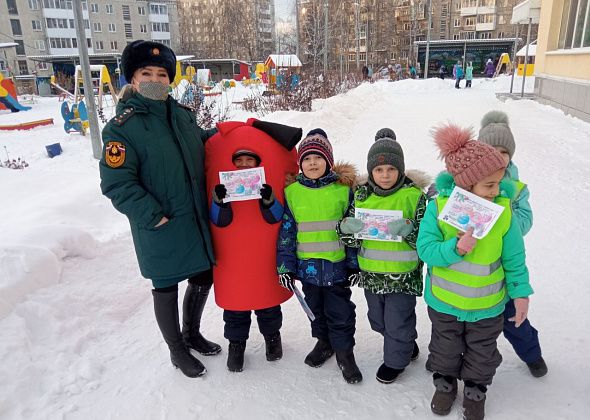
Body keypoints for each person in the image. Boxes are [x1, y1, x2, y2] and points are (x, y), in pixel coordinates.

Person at [99, 40, 220, 378]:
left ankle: (191, 333)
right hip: (160, 223)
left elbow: (203, 145)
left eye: (161, 74)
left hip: (194, 218)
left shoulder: (182, 116)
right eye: (146, 73)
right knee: (165, 286)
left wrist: (232, 136)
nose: (155, 79)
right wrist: (154, 215)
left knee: (203, 275)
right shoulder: (122, 128)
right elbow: (117, 183)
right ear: (132, 80)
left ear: (170, 79)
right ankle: (176, 350)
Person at [417, 123, 533, 420]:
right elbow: (425, 250)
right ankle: (444, 384)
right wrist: (454, 249)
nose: (497, 191)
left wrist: (521, 294)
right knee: (444, 347)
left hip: (487, 305)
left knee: (482, 352)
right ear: (466, 185)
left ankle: (475, 389)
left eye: (498, 183)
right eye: (489, 186)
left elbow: (515, 260)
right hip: (445, 302)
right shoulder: (439, 208)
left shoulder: (504, 214)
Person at [205, 118, 301, 372]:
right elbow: (218, 221)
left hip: (262, 254)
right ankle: (236, 345)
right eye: (239, 160)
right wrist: (220, 202)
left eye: (250, 161)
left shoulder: (265, 186)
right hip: (233, 256)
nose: (244, 165)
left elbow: (276, 218)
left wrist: (269, 200)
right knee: (235, 308)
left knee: (267, 303)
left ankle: (272, 338)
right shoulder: (221, 188)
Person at [337, 131, 430, 383]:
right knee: (378, 322)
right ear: (371, 171)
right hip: (372, 275)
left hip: (403, 276)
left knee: (397, 322)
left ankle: (395, 361)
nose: (385, 175)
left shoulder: (413, 196)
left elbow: (428, 238)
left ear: (400, 170)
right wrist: (347, 229)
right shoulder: (362, 196)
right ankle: (406, 345)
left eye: (391, 168)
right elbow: (350, 237)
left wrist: (410, 231)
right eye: (379, 170)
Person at [276, 129, 363, 384]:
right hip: (308, 270)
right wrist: (285, 268)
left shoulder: (343, 190)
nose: (312, 163)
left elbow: (353, 230)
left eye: (318, 157)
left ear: (329, 161)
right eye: (306, 159)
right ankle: (324, 343)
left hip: (336, 269)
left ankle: (345, 354)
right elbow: (287, 233)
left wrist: (354, 264)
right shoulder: (292, 193)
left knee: (341, 313)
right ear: (300, 164)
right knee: (316, 311)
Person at [478, 110, 547, 378]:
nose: (498, 156)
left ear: (511, 155)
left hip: (504, 264)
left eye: (503, 152)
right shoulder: (470, 182)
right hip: (476, 263)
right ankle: (451, 360)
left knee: (513, 318)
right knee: (469, 322)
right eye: (490, 150)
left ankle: (531, 353)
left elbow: (525, 220)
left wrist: (500, 222)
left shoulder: (516, 187)